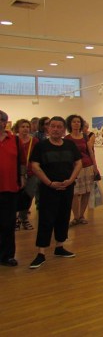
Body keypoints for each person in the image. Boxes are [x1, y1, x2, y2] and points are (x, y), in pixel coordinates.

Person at [29, 116, 82, 269]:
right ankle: (41, 252)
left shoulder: (70, 145)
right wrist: (49, 183)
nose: (56, 129)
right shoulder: (41, 146)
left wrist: (71, 180)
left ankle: (60, 246)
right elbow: (35, 166)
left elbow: (78, 163)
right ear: (48, 128)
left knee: (63, 216)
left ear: (64, 129)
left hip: (66, 187)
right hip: (48, 189)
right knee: (46, 219)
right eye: (53, 126)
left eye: (59, 127)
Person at [65, 115, 99, 226]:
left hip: (87, 166)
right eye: (74, 122)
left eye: (78, 122)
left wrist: (95, 166)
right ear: (70, 124)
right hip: (74, 168)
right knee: (74, 193)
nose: (76, 124)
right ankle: (75, 216)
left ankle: (81, 215)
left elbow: (90, 152)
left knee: (86, 192)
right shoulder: (67, 138)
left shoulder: (85, 137)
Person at [0, 110, 20, 267]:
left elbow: (21, 162)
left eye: (2, 120)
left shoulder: (15, 140)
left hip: (9, 188)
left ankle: (7, 255)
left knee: (8, 224)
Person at [15, 119, 39, 231]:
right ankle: (15, 219)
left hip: (31, 172)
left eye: (27, 126)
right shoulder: (14, 140)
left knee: (28, 196)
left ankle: (23, 218)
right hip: (15, 173)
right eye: (22, 126)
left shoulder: (34, 141)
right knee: (15, 196)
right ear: (17, 128)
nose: (25, 129)